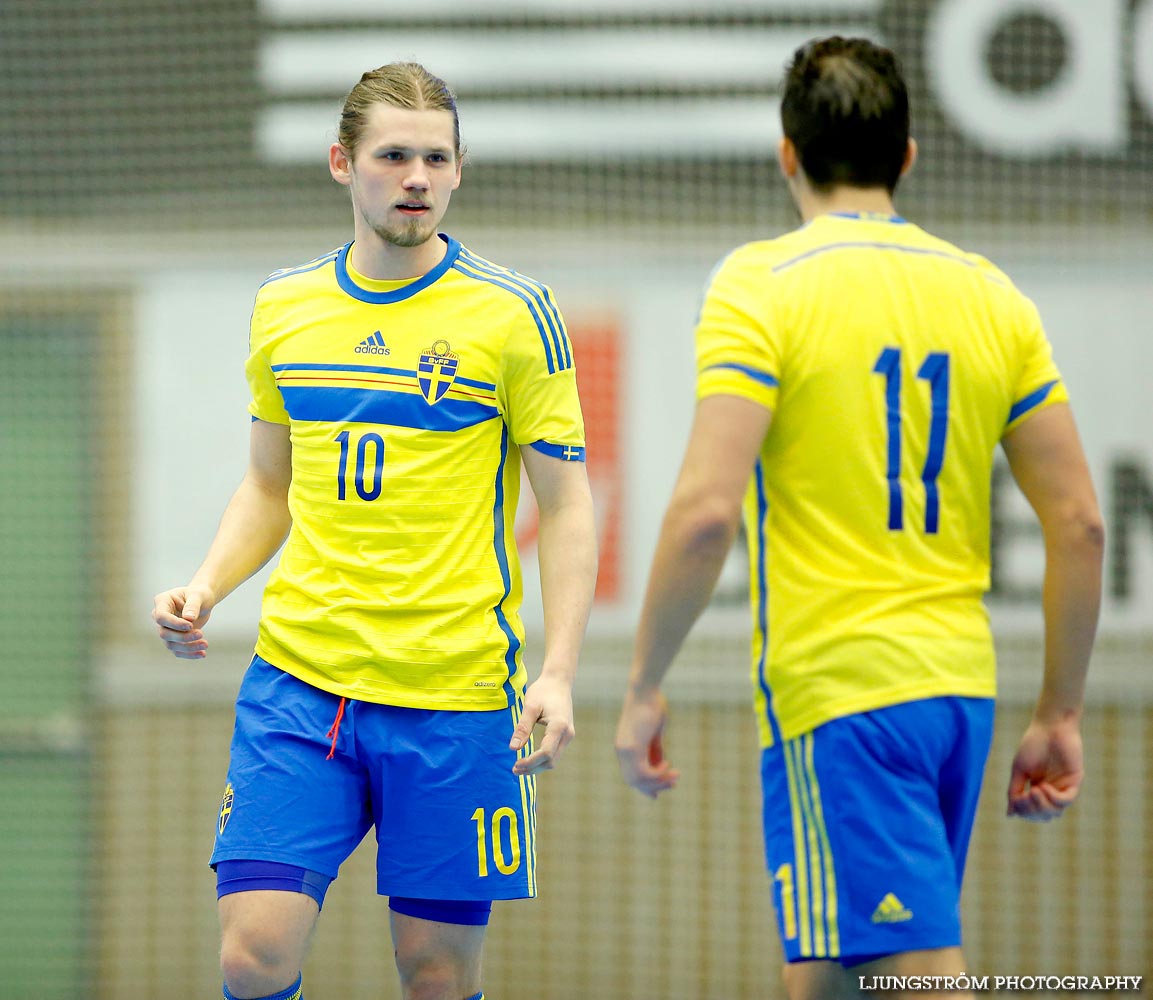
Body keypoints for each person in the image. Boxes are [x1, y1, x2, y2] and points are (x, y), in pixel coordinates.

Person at [614, 36, 1103, 1000]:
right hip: (957, 694)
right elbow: (1081, 522)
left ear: (785, 154)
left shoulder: (764, 285)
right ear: (908, 156)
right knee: (835, 980)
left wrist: (642, 684)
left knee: (915, 979)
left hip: (843, 700)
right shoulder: (991, 296)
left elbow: (707, 512)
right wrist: (1059, 710)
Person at [152, 62, 597, 1000]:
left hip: (453, 699)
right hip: (301, 688)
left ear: (459, 170)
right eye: (393, 155)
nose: (417, 177)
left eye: (437, 157)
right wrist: (205, 586)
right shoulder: (285, 307)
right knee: (252, 954)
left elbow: (564, 507)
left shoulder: (517, 314)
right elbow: (269, 486)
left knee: (433, 973)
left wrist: (556, 669)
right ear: (341, 164)